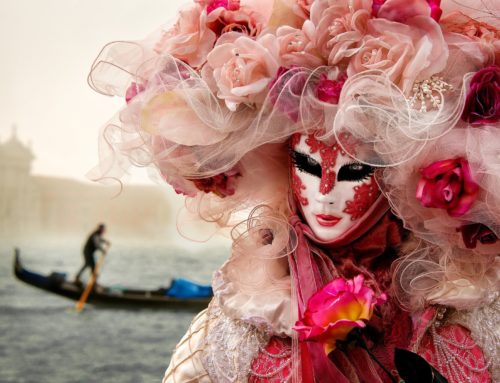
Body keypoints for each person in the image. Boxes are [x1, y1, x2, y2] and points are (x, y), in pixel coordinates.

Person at [88, 0, 499, 381]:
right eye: (306, 165)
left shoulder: (468, 312)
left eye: (354, 172)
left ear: (395, 176)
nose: (325, 193)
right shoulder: (245, 320)